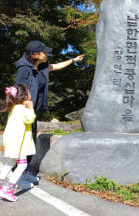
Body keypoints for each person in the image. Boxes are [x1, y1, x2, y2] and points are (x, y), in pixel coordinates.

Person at [14, 40, 84, 188]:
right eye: (44, 52)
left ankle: (22, 173)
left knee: (29, 144)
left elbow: (57, 66)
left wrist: (73, 60)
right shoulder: (24, 69)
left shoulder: (41, 67)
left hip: (32, 113)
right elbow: (18, 91)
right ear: (35, 54)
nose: (47, 54)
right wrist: (26, 106)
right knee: (24, 145)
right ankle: (17, 176)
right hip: (24, 114)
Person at [0, 84, 36, 202]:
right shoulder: (23, 109)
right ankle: (8, 190)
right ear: (25, 96)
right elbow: (30, 119)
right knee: (22, 165)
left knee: (10, 163)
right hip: (19, 143)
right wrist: (31, 108)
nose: (30, 95)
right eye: (29, 93)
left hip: (12, 140)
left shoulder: (14, 108)